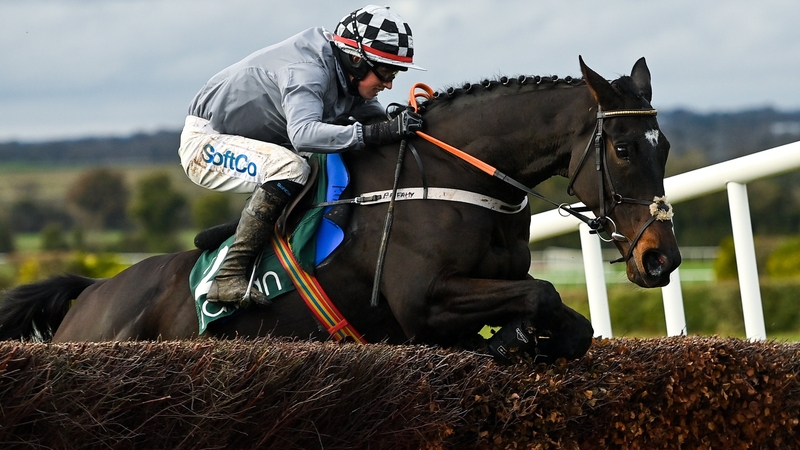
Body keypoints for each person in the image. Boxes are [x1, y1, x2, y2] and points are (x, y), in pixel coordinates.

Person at [178, 5, 425, 307]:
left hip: (259, 141)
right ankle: (229, 274)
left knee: (319, 162)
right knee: (291, 168)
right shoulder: (307, 70)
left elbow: (372, 121)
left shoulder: (342, 72)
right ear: (357, 60)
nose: (388, 84)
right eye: (385, 72)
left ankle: (242, 229)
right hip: (206, 144)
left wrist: (396, 125)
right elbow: (305, 134)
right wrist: (373, 134)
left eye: (394, 73)